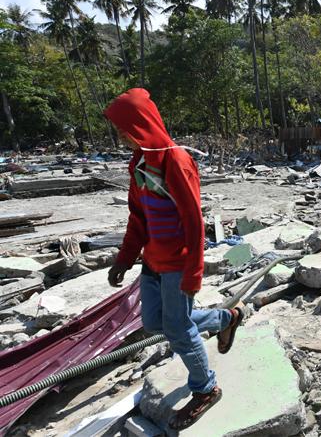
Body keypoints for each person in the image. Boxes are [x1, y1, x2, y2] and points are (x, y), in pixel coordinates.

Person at [105, 88, 244, 431]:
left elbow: (195, 222)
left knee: (178, 328)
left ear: (141, 124)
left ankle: (206, 388)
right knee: (155, 323)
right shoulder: (138, 163)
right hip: (152, 261)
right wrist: (125, 258)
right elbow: (138, 217)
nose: (121, 135)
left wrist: (194, 272)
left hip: (178, 262)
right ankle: (226, 318)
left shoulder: (176, 161)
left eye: (124, 128)